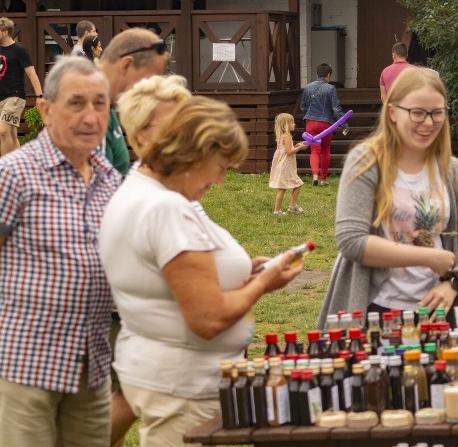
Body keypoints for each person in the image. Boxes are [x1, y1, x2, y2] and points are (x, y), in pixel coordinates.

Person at [99, 96, 303, 447]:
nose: (221, 181)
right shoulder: (167, 208)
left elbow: (167, 276)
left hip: (164, 376)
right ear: (195, 152)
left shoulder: (139, 187)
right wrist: (263, 283)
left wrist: (237, 272)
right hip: (183, 388)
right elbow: (207, 319)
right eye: (221, 166)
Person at [0, 56, 121, 446]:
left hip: (92, 366)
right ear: (47, 110)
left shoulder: (110, 178)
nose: (90, 116)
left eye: (100, 104)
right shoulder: (15, 173)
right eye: (76, 103)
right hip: (26, 365)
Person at [318, 67, 458, 328]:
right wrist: (427, 257)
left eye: (437, 113)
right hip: (375, 312)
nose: (429, 122)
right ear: (393, 112)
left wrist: (455, 284)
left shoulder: (452, 170)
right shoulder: (366, 163)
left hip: (438, 314)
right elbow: (351, 241)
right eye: (418, 113)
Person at [110, 74, 192, 447]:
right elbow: (204, 309)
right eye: (172, 125)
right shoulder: (152, 199)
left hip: (175, 363)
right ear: (140, 134)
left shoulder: (169, 190)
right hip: (167, 363)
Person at [98, 27, 170, 176]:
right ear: (126, 65)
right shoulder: (88, 112)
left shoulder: (107, 106)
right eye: (149, 79)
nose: (151, 90)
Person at [0, 17, 43, 156]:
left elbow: (31, 73)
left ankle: (4, 169)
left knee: (3, 131)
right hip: (1, 96)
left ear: (5, 32)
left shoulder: (19, 49)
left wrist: (39, 95)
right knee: (11, 134)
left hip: (15, 95)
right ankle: (20, 166)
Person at [300, 62, 348, 186]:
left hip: (311, 122)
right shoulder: (331, 89)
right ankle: (323, 179)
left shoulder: (308, 87)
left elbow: (303, 107)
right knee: (325, 150)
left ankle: (314, 175)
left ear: (317, 73)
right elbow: (336, 109)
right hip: (326, 124)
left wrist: (308, 116)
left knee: (314, 150)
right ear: (328, 75)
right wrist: (344, 125)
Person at [269, 112, 308, 214]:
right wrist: (299, 148)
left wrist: (297, 146)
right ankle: (277, 210)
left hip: (286, 166)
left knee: (297, 184)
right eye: (292, 122)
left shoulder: (284, 136)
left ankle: (292, 206)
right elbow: (289, 152)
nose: (294, 124)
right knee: (282, 188)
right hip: (285, 167)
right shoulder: (286, 136)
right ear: (286, 125)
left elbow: (288, 150)